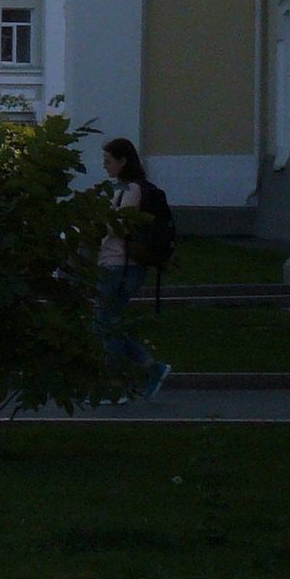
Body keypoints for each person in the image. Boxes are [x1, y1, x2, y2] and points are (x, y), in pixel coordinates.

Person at [96, 138, 169, 401]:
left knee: (106, 325)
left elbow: (121, 225)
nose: (105, 166)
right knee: (107, 324)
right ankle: (152, 368)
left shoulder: (132, 190)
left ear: (123, 161)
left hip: (122, 266)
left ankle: (118, 386)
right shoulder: (123, 189)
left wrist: (95, 224)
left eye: (108, 161)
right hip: (115, 264)